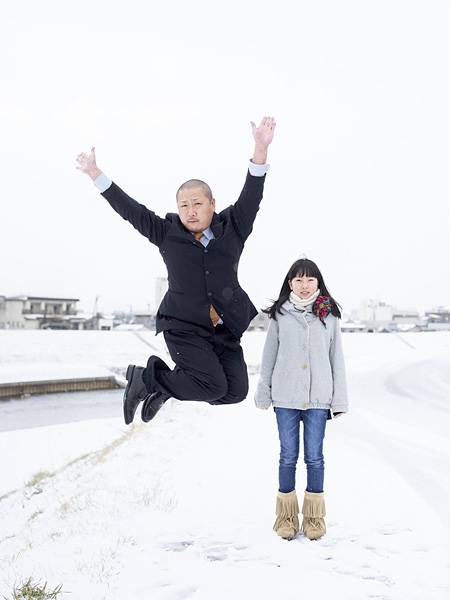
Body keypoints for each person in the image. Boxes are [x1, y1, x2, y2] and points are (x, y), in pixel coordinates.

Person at [76, 116, 276, 425]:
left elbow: (253, 193)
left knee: (234, 392)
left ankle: (164, 387)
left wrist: (260, 147)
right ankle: (145, 379)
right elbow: (130, 209)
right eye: (184, 205)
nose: (190, 211)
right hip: (183, 327)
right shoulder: (166, 233)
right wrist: (95, 174)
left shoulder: (234, 227)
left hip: (223, 329)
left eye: (197, 204)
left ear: (212, 204)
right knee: (213, 386)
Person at [254, 258, 348, 541]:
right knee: (287, 456)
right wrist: (264, 390)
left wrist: (339, 400)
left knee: (315, 458)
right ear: (290, 283)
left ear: (318, 282)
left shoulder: (329, 315)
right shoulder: (280, 315)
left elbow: (336, 358)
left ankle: (314, 518)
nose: (304, 285)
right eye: (298, 280)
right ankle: (285, 518)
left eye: (309, 280)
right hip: (286, 396)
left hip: (318, 397)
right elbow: (269, 355)